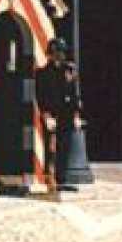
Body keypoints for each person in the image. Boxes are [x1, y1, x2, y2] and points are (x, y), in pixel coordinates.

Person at [35, 38, 83, 190]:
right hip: (52, 114)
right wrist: (46, 115)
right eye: (56, 53)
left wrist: (76, 115)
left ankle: (61, 178)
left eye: (61, 53)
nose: (59, 56)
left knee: (65, 147)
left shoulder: (69, 71)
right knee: (51, 148)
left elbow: (74, 94)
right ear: (50, 54)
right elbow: (41, 96)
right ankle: (50, 177)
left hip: (66, 113)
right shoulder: (42, 73)